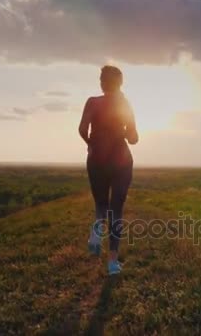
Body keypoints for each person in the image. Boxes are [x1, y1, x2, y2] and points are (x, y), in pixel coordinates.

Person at [78, 65, 138, 275]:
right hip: (121, 160)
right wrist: (124, 132)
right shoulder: (125, 103)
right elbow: (134, 138)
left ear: (102, 83)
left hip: (96, 159)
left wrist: (91, 144)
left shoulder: (92, 102)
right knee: (116, 209)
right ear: (120, 83)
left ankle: (95, 235)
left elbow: (82, 129)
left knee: (101, 204)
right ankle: (112, 262)